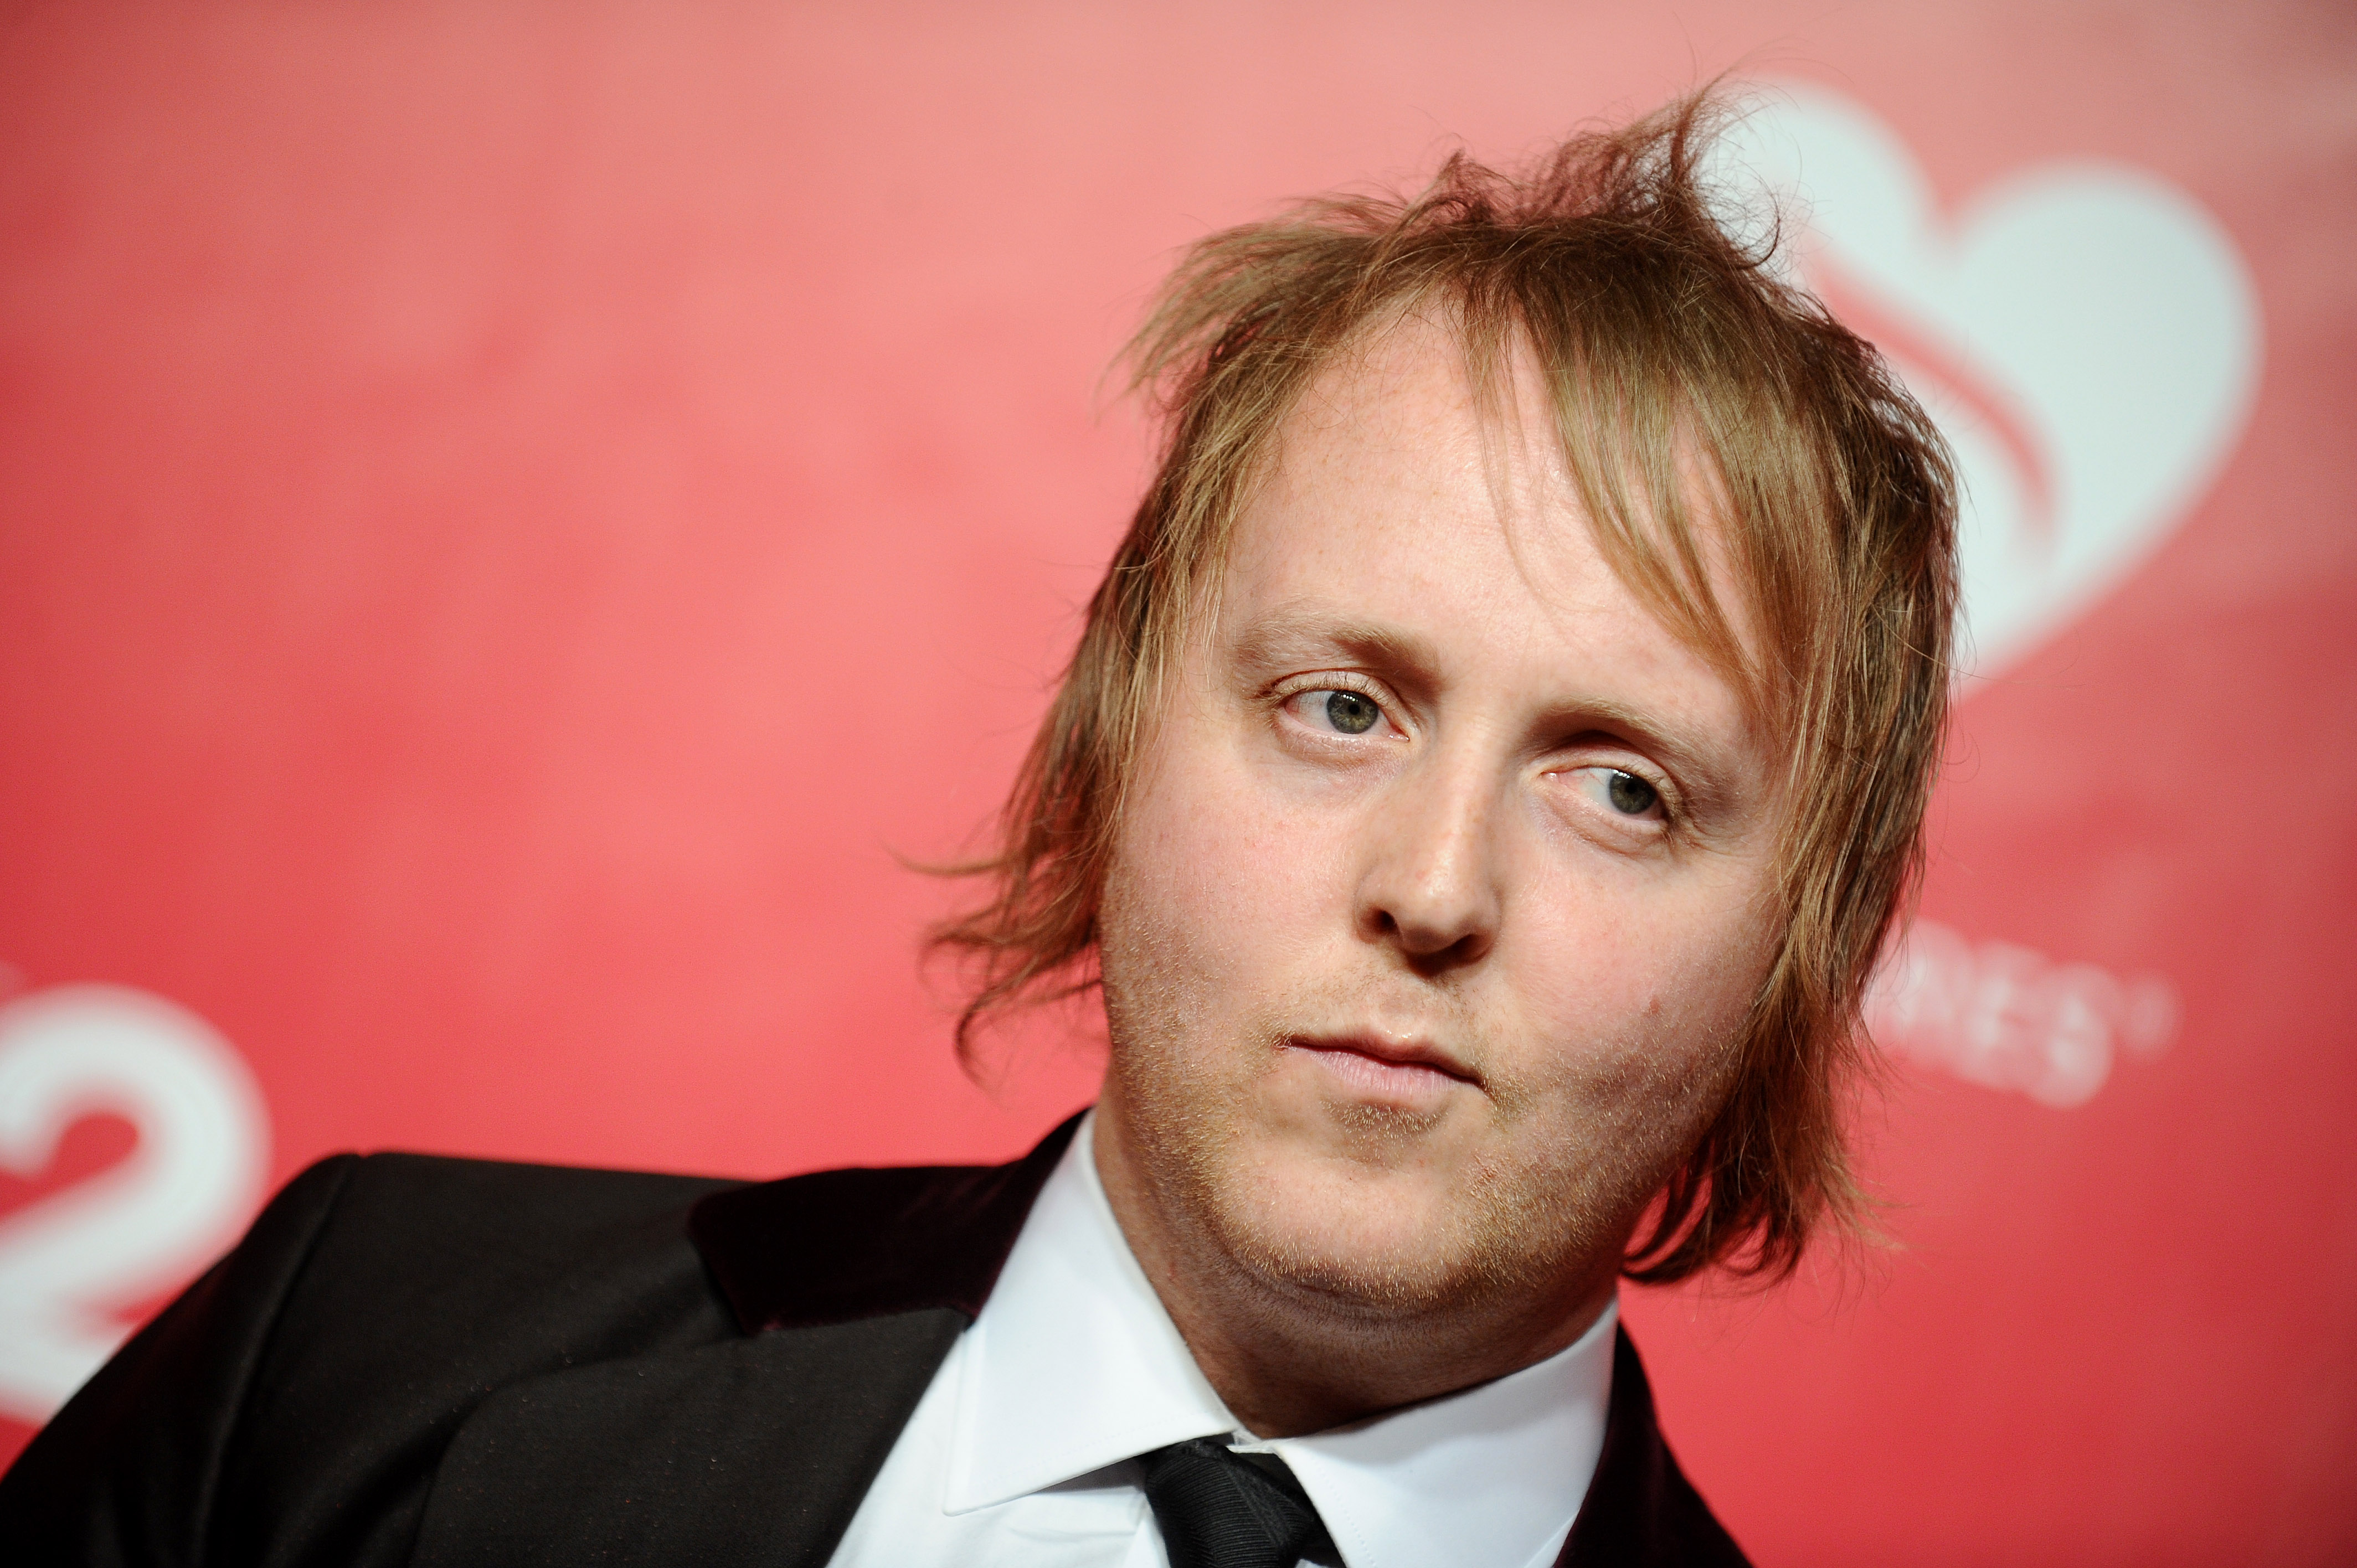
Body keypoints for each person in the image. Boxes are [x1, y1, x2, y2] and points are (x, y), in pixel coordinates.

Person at [0, 90, 1956, 1568]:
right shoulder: (362, 1350)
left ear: (1811, 946)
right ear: (1110, 729)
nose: (1435, 889)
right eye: (1341, 708)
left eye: (1623, 790)